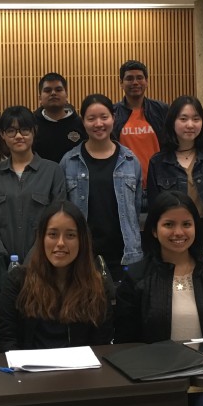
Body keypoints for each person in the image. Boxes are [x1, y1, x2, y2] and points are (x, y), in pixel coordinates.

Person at [115, 191, 203, 343]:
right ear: (154, 230)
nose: (178, 232)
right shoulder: (136, 276)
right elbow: (125, 342)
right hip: (156, 365)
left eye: (186, 224)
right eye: (169, 224)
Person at [0, 202, 113, 352]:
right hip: (27, 372)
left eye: (70, 235)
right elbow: (4, 339)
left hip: (81, 373)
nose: (61, 243)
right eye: (53, 234)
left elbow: (102, 347)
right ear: (41, 238)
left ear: (82, 241)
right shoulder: (17, 282)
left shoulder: (98, 287)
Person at [60, 93, 142, 280]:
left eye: (104, 117)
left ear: (113, 118)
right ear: (83, 121)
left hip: (124, 254)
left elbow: (135, 210)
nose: (98, 124)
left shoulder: (130, 160)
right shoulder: (69, 161)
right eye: (91, 118)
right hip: (82, 255)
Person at [148, 96, 203, 269]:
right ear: (172, 122)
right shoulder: (158, 163)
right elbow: (155, 212)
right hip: (175, 237)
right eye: (183, 119)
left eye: (196, 119)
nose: (190, 125)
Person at [0, 106, 67, 262]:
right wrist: (3, 259)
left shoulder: (53, 171)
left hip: (43, 264)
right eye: (11, 131)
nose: (18, 136)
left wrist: (32, 260)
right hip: (1, 268)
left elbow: (57, 220)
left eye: (24, 130)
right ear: (2, 134)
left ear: (34, 131)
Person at [111, 59, 169, 193]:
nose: (135, 82)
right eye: (129, 78)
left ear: (147, 81)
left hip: (160, 183)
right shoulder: (112, 113)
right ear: (121, 83)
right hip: (125, 185)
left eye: (139, 78)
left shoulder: (162, 110)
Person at [33, 72, 84, 162]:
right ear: (40, 98)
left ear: (66, 95)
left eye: (58, 89)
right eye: (48, 90)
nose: (53, 93)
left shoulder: (81, 124)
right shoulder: (31, 125)